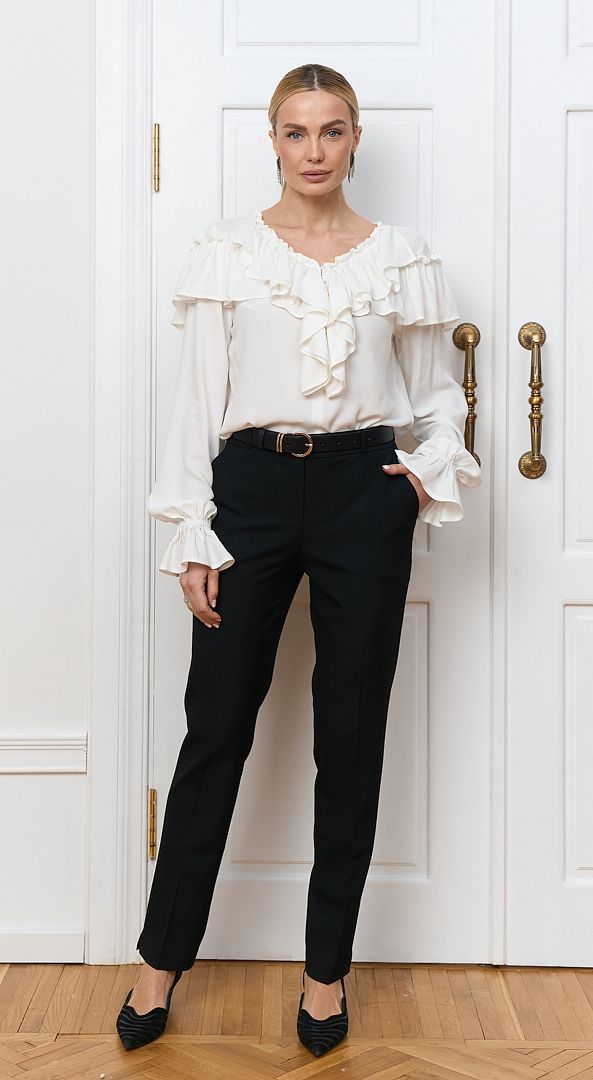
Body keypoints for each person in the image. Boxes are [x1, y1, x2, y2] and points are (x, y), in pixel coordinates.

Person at [116, 62, 481, 1056]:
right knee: (216, 728)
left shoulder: (399, 256)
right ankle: (160, 963)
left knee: (350, 737)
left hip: (365, 491)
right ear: (272, 142)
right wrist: (192, 529)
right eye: (295, 131)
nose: (313, 150)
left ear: (355, 139)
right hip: (252, 490)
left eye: (330, 131)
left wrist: (417, 477)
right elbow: (197, 401)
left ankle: (326, 975)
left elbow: (433, 393)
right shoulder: (229, 253)